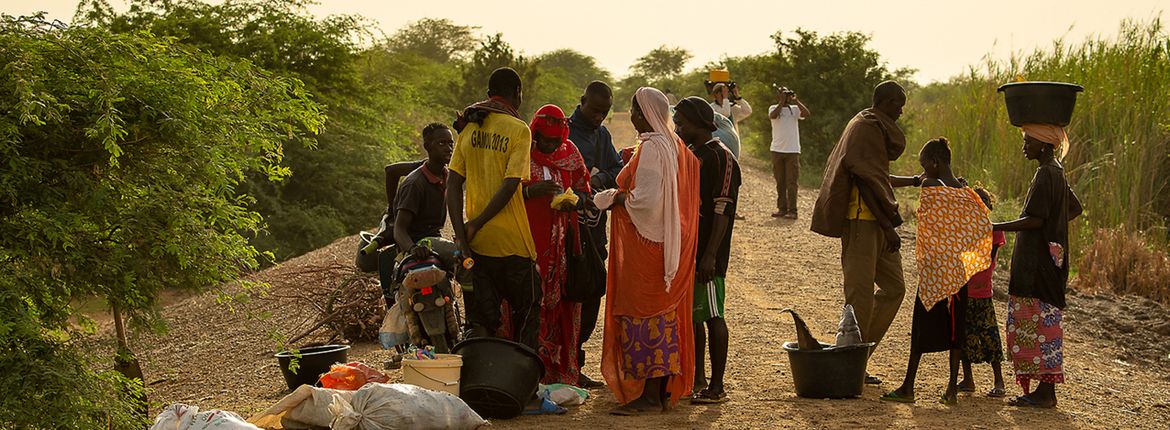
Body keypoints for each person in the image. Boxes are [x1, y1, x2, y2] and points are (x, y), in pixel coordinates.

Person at [594, 87, 700, 415]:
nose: (635, 117)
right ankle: (658, 390)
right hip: (666, 242)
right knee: (662, 317)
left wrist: (614, 197)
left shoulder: (654, 148)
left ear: (648, 114)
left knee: (647, 317)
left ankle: (651, 396)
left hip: (649, 245)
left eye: (636, 111)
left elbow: (648, 201)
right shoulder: (673, 144)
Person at [810, 81, 918, 385]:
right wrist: (888, 227)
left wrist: (914, 181)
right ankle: (849, 365)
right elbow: (866, 181)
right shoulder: (866, 127)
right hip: (863, 222)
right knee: (859, 296)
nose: (901, 110)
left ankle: (857, 356)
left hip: (878, 222)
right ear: (884, 102)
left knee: (895, 288)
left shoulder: (872, 129)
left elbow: (878, 176)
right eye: (898, 104)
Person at [880, 138, 992, 405]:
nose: (923, 173)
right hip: (958, 274)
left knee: (920, 330)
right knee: (956, 331)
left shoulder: (932, 186)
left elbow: (931, 224)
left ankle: (908, 387)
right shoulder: (966, 192)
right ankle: (951, 389)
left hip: (935, 274)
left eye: (924, 166)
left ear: (934, 163)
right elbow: (982, 222)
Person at [447, 67, 541, 351]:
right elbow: (512, 183)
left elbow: (452, 185)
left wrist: (464, 234)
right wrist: (477, 223)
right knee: (526, 317)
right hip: (513, 243)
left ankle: (483, 383)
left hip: (478, 246)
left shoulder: (469, 128)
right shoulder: (519, 130)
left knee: (482, 321)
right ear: (517, 94)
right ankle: (524, 384)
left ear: (489, 94)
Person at [993, 124, 1082, 409]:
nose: (1024, 146)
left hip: (1037, 264)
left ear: (1043, 145)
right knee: (1046, 324)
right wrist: (1054, 228)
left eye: (1027, 141)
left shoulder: (1046, 173)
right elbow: (1073, 208)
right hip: (1049, 259)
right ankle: (1045, 390)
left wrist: (994, 226)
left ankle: (1046, 393)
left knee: (1039, 323)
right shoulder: (1056, 171)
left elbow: (1034, 219)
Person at [516, 104, 592, 384]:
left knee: (562, 304)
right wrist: (531, 190)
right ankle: (527, 371)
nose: (549, 146)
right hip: (528, 241)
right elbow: (505, 189)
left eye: (554, 141)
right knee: (529, 302)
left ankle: (560, 371)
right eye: (544, 141)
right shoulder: (522, 152)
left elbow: (585, 190)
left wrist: (574, 200)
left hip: (562, 241)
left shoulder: (570, 153)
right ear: (534, 134)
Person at [674, 97, 741, 404]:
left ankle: (717, 386)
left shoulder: (722, 158)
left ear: (700, 124)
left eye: (682, 123)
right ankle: (698, 378)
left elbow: (722, 210)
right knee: (694, 317)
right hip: (690, 250)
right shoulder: (692, 154)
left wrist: (711, 254)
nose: (678, 128)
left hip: (709, 256)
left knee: (713, 315)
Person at [567, 81, 621, 388]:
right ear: (582, 100)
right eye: (595, 110)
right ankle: (560, 361)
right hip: (562, 230)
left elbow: (617, 168)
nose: (599, 116)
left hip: (592, 230)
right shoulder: (561, 130)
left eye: (605, 112)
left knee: (591, 291)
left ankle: (577, 359)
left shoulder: (601, 135)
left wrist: (600, 176)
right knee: (563, 296)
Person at [958, 187, 1009, 398]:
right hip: (965, 289)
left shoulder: (992, 230)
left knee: (989, 336)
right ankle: (968, 379)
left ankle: (999, 381)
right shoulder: (964, 229)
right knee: (963, 337)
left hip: (981, 290)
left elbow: (986, 259)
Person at [769, 86, 810, 219]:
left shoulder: (794, 110)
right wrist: (781, 102)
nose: (785, 96)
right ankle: (782, 208)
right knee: (780, 181)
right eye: (782, 94)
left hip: (792, 151)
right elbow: (773, 116)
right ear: (778, 95)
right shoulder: (773, 108)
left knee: (792, 182)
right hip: (777, 150)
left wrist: (796, 100)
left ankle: (793, 210)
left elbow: (807, 114)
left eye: (786, 94)